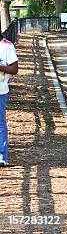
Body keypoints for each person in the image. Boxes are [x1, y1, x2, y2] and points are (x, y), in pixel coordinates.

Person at [0, 37, 18, 167]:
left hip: (0, 91)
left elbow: (14, 69)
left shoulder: (7, 46)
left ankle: (2, 157)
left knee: (0, 124)